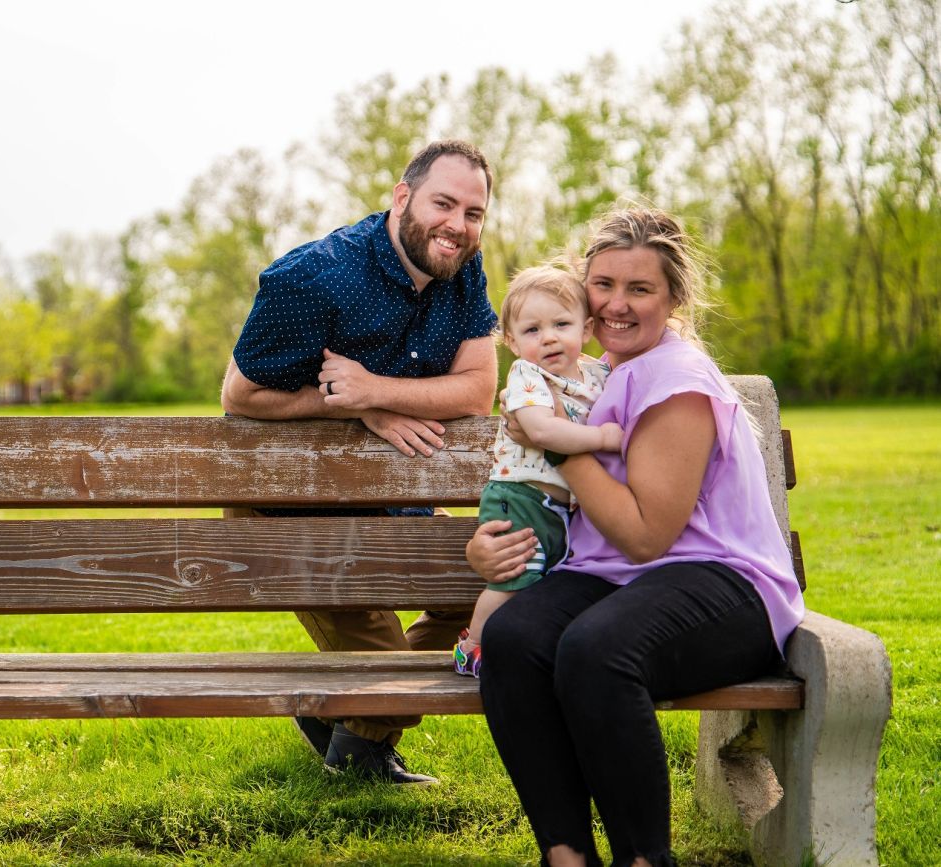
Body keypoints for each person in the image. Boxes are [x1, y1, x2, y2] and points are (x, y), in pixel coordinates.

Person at [467, 206, 805, 866]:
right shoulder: (594, 373)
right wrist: (488, 549)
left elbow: (649, 535)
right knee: (513, 638)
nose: (616, 305)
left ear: (674, 296)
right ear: (582, 289)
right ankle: (565, 855)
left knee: (596, 651)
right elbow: (536, 489)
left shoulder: (676, 379)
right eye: (603, 285)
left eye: (639, 288)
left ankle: (644, 859)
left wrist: (560, 447)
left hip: (724, 584)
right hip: (612, 574)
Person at [222, 139, 536, 785]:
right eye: (443, 203)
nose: (458, 224)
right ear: (402, 197)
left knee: (479, 593)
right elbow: (240, 394)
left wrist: (375, 390)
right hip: (292, 504)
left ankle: (349, 711)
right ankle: (361, 744)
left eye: (473, 212)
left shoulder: (460, 269)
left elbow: (478, 389)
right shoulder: (312, 277)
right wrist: (348, 407)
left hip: (387, 491)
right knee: (383, 653)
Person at [452, 264, 622, 678]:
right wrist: (602, 438)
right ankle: (471, 646)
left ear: (586, 329)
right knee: (513, 578)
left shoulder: (599, 373)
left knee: (544, 578)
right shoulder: (529, 375)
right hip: (521, 495)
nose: (548, 337)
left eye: (561, 324)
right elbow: (541, 430)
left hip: (561, 506)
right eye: (531, 330)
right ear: (511, 341)